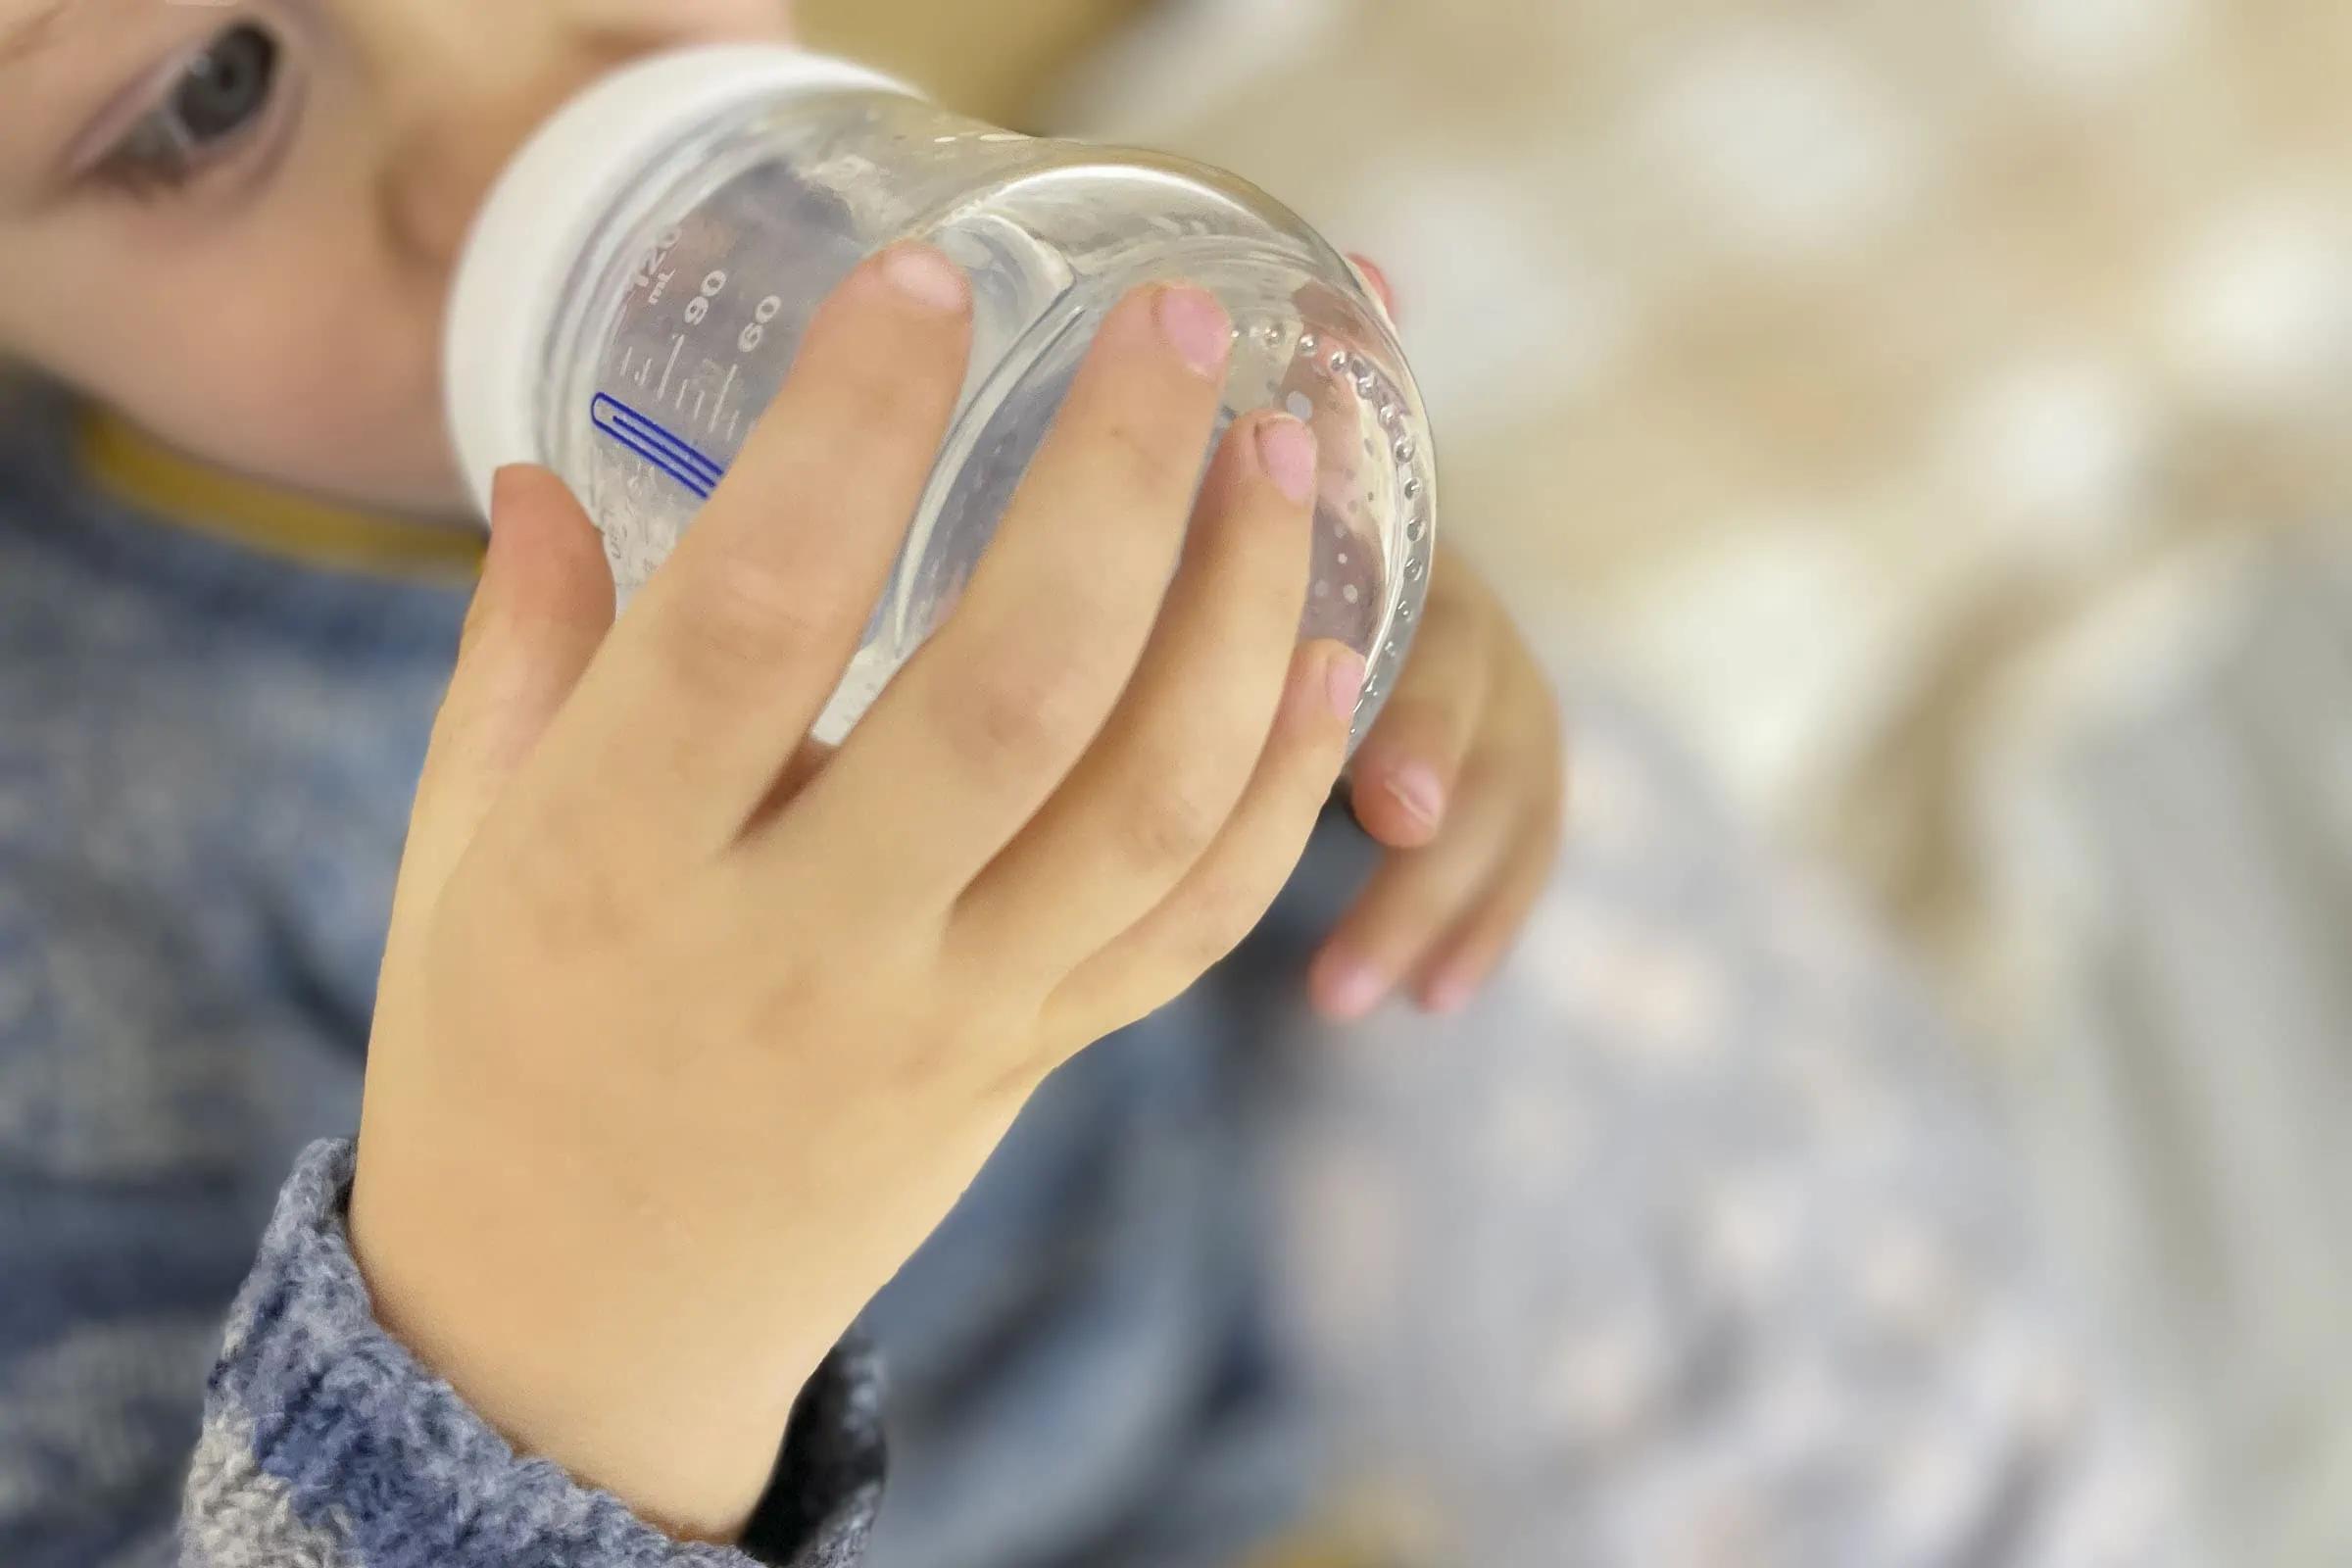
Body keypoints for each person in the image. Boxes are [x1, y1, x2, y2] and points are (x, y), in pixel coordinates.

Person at [0, 4, 2181, 1566]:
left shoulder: (884, 233)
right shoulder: (79, 866)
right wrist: (536, 1349)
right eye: (208, 93)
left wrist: (1320, 628)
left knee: (1570, 876)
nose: (532, 110)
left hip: (1253, 1240)